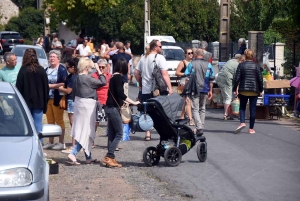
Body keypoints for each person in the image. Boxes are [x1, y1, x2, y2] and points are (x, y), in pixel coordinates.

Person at [67, 58, 107, 165]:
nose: (91, 68)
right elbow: (103, 82)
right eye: (90, 66)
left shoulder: (77, 78)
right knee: (87, 132)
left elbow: (74, 92)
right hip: (87, 105)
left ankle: (88, 157)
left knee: (84, 130)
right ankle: (73, 153)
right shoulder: (87, 78)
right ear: (87, 67)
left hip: (79, 103)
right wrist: (99, 70)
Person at [103, 58, 140, 168]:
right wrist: (133, 102)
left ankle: (110, 158)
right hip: (114, 108)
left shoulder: (112, 77)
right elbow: (120, 93)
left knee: (112, 133)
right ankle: (109, 156)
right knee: (119, 133)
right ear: (123, 67)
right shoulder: (118, 77)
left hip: (109, 107)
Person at [134, 39, 173, 141]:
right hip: (158, 90)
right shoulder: (160, 58)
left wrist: (141, 83)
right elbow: (164, 74)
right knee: (161, 113)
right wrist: (170, 88)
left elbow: (136, 73)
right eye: (160, 46)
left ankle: (147, 134)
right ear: (155, 47)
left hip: (146, 90)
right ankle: (164, 135)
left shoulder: (143, 58)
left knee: (147, 111)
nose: (161, 48)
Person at [16, 48, 49, 145]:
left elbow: (18, 88)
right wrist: (45, 101)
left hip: (26, 102)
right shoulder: (41, 70)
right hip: (39, 102)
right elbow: (46, 88)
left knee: (27, 125)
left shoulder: (23, 70)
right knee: (38, 124)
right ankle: (40, 145)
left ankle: (27, 144)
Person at [233, 49, 263, 134]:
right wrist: (261, 89)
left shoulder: (241, 65)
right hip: (254, 90)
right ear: (252, 56)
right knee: (253, 109)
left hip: (243, 90)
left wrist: (234, 89)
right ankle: (251, 129)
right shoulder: (256, 66)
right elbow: (260, 79)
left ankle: (242, 122)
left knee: (242, 107)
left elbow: (237, 78)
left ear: (245, 56)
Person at [184, 48, 214, 136]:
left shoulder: (192, 64)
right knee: (202, 108)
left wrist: (186, 91)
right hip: (205, 88)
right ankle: (201, 127)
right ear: (203, 55)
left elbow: (187, 76)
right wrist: (210, 90)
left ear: (195, 55)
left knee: (195, 109)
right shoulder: (208, 64)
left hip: (194, 89)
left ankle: (199, 127)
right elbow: (211, 78)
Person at [43, 50, 68, 150]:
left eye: (54, 57)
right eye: (50, 57)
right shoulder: (46, 69)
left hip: (57, 98)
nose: (52, 58)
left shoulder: (61, 69)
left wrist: (52, 86)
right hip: (48, 98)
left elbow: (64, 83)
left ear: (58, 58)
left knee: (59, 120)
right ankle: (50, 142)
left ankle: (61, 142)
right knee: (50, 121)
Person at [59, 58, 79, 154]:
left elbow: (68, 91)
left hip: (72, 100)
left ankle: (74, 145)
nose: (66, 69)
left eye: (67, 67)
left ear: (73, 67)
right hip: (77, 100)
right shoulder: (78, 76)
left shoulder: (72, 77)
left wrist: (60, 88)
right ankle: (76, 144)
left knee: (73, 123)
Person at [216, 54, 245, 120]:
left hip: (220, 79)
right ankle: (226, 114)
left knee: (226, 97)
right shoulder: (238, 65)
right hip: (226, 81)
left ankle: (227, 114)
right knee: (228, 98)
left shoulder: (231, 61)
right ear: (242, 60)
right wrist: (236, 90)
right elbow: (237, 79)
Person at [175, 47, 195, 126]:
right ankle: (190, 119)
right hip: (184, 83)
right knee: (188, 101)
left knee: (186, 101)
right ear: (185, 54)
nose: (191, 55)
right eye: (189, 53)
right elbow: (177, 73)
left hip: (192, 83)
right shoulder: (183, 62)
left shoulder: (193, 62)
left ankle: (182, 116)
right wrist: (185, 74)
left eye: (192, 53)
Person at [92, 59, 111, 127]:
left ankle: (110, 135)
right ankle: (92, 136)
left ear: (106, 67)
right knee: (95, 121)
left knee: (110, 120)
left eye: (103, 67)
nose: (101, 68)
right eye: (99, 67)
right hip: (98, 101)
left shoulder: (110, 76)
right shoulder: (94, 76)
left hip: (107, 101)